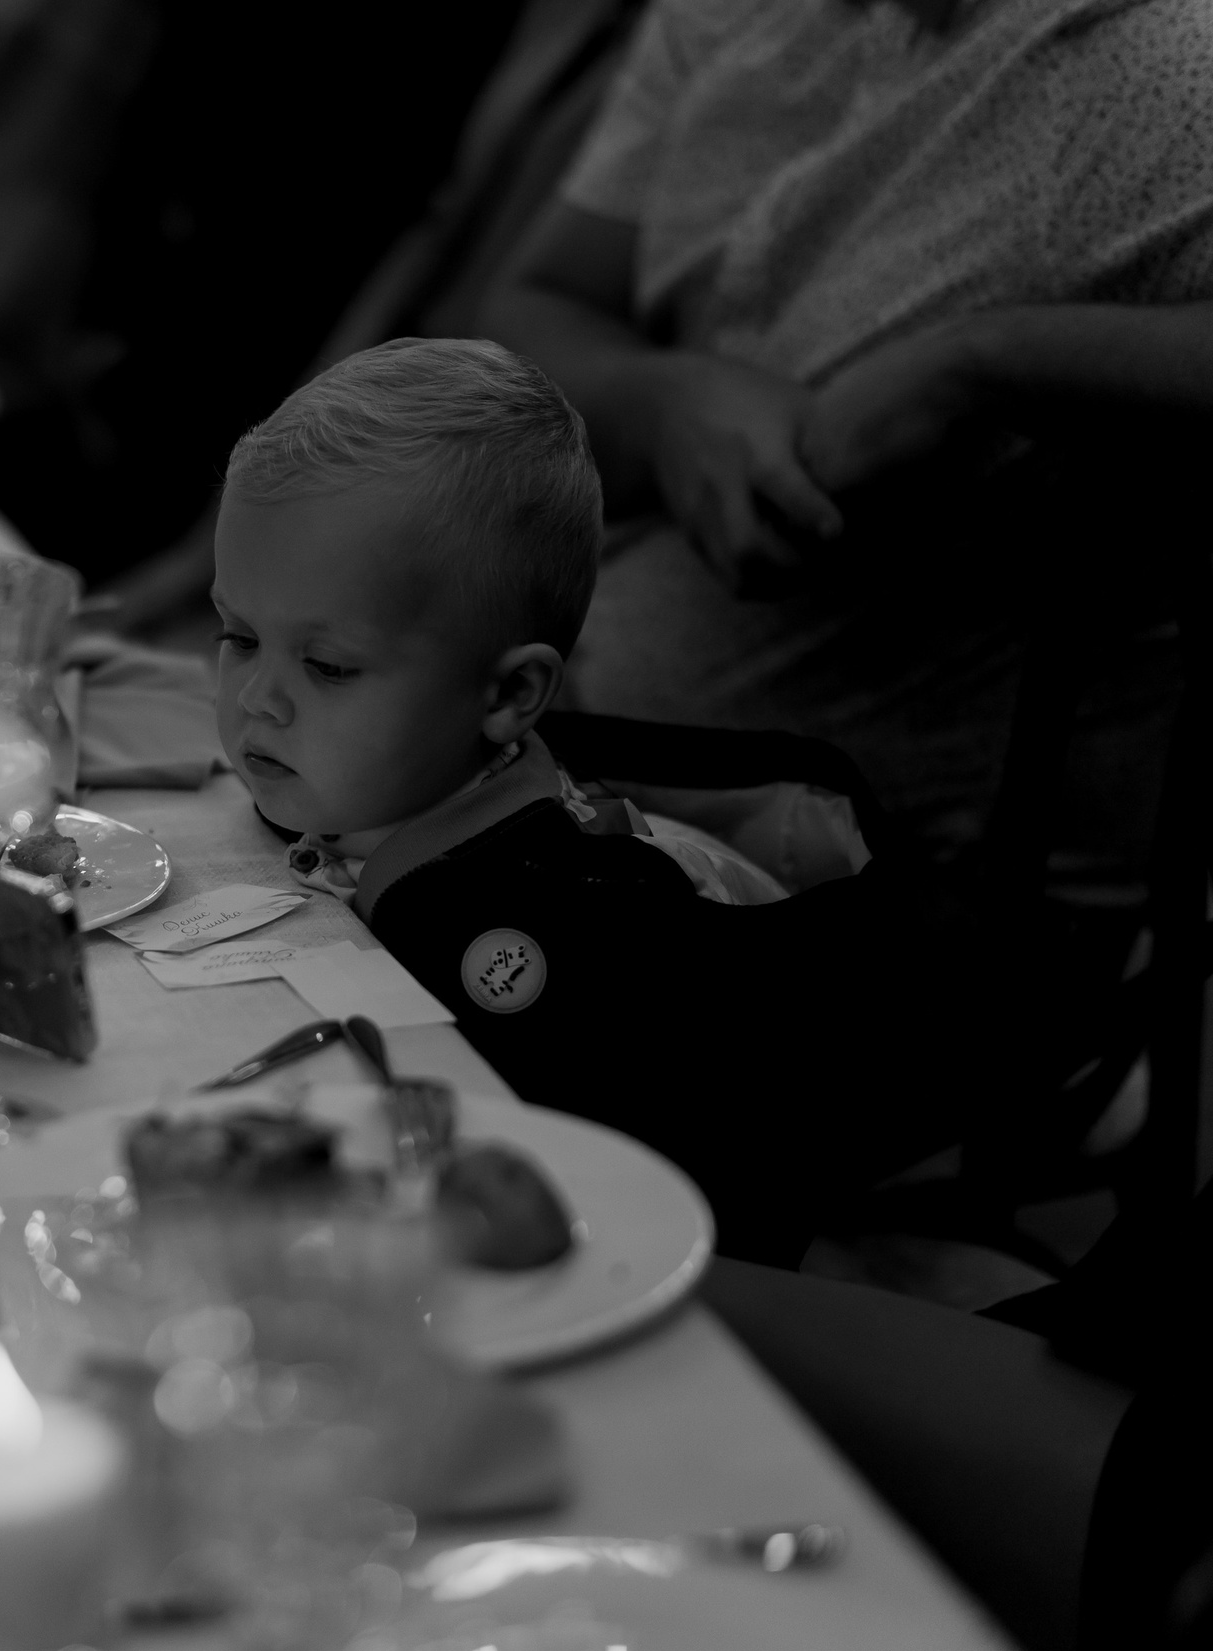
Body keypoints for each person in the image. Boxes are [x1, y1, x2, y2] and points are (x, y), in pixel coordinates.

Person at [213, 337, 1036, 1261]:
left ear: (507, 699)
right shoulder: (365, 779)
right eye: (237, 635)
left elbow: (642, 1205)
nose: (257, 698)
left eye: (325, 666)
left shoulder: (587, 933)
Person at [480, 0, 1213, 874]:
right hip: (551, 762)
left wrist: (981, 363)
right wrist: (670, 403)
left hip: (885, 903)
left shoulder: (1165, 63)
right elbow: (541, 305)